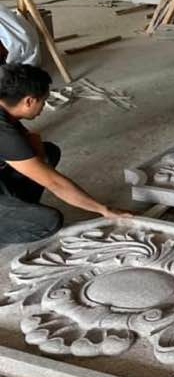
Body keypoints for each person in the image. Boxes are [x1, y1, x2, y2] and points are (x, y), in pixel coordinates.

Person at [0, 63, 128, 245]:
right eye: (43, 101)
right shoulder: (5, 134)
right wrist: (104, 210)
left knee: (48, 152)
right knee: (48, 222)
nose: (43, 107)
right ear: (29, 101)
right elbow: (54, 183)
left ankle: (17, 208)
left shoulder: (5, 113)